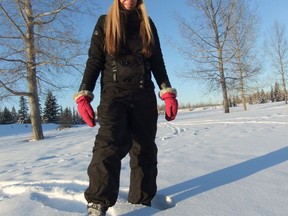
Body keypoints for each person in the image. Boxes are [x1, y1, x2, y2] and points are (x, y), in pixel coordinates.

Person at [73, 0, 178, 215]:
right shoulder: (105, 22)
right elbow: (94, 60)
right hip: (114, 95)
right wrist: (84, 93)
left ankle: (142, 202)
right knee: (108, 144)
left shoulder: (147, 23)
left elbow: (157, 61)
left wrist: (166, 90)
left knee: (144, 149)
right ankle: (97, 204)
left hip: (143, 94)